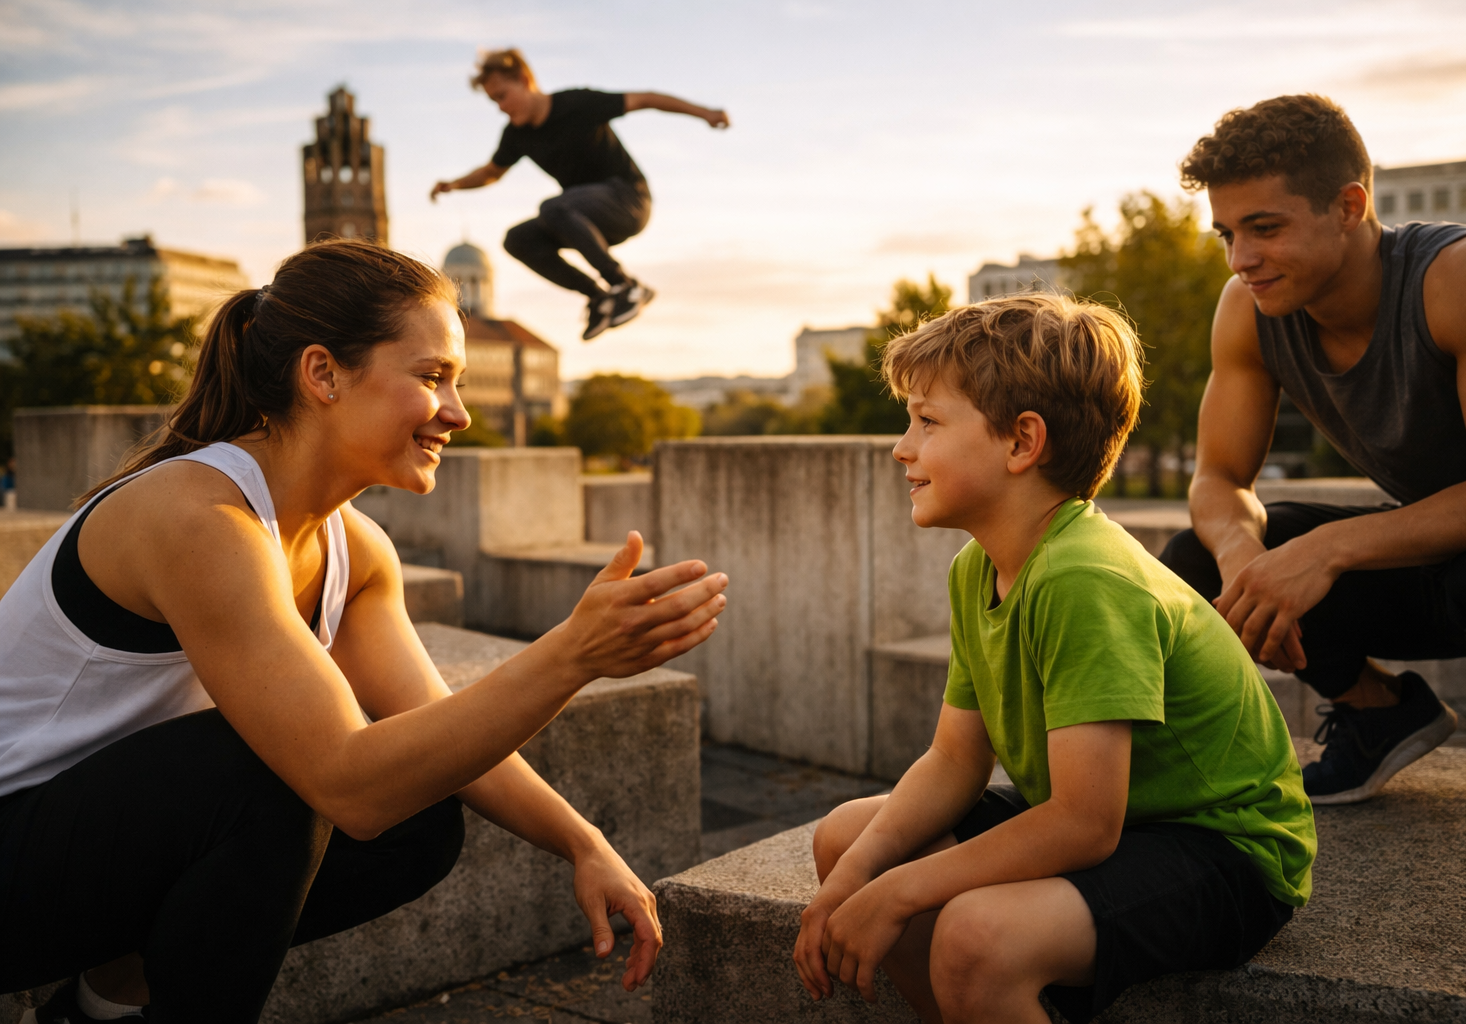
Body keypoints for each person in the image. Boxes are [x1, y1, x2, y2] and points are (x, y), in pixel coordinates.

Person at [0, 240, 730, 1023]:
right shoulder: (196, 514)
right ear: (322, 374)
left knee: (418, 819)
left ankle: (103, 1001)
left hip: (76, 853)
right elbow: (347, 781)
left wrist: (584, 843)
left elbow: (428, 726)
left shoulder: (355, 547)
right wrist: (571, 655)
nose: (459, 412)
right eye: (431, 377)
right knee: (271, 775)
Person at [793, 294, 1315, 1024]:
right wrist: (854, 877)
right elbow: (953, 761)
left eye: (927, 420)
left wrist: (902, 890)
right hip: (1123, 823)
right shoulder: (978, 568)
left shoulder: (1084, 578)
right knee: (850, 836)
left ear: (1021, 442)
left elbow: (1082, 824)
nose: (901, 446)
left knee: (977, 937)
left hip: (1223, 851)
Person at [1164, 94, 1466, 806]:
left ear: (1348, 205)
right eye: (1226, 235)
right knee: (1198, 555)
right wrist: (1246, 558)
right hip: (1444, 555)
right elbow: (1217, 477)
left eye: (1264, 228)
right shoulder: (1248, 307)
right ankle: (1379, 712)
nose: (1242, 259)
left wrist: (1331, 547)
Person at [429, 48, 729, 342]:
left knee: (553, 208)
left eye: (502, 96)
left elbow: (646, 99)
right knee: (517, 239)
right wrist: (452, 184)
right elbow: (490, 173)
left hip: (628, 202)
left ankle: (626, 286)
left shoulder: (576, 103)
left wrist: (705, 113)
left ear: (523, 79)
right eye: (494, 101)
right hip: (581, 219)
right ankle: (600, 297)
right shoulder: (516, 135)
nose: (500, 107)